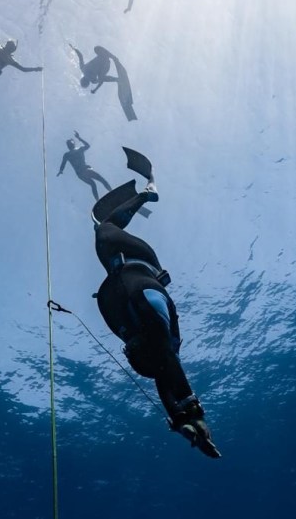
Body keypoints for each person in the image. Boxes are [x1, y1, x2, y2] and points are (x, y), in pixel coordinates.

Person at [91, 150, 221, 458]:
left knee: (104, 231)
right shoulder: (162, 345)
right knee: (104, 230)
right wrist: (192, 411)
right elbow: (165, 359)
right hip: (143, 272)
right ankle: (149, 191)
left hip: (132, 283)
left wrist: (180, 418)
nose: (131, 350)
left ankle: (187, 418)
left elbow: (164, 370)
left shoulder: (156, 350)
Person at [57, 131, 112, 200]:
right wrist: (79, 138)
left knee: (93, 184)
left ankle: (98, 200)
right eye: (68, 144)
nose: (69, 144)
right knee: (100, 180)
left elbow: (63, 163)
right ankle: (110, 193)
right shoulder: (73, 152)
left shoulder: (72, 152)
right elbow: (63, 163)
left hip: (80, 174)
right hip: (84, 171)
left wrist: (61, 170)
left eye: (70, 143)